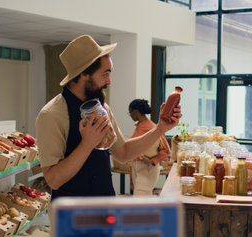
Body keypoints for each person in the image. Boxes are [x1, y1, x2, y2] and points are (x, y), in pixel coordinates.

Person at [35, 35, 181, 202]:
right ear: (84, 74)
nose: (109, 81)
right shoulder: (51, 115)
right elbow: (53, 180)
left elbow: (123, 153)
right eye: (105, 74)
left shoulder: (102, 108)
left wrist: (160, 129)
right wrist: (87, 144)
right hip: (71, 219)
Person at [128, 99, 171, 196]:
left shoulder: (152, 128)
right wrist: (131, 178)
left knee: (140, 203)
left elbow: (167, 150)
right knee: (141, 202)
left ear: (136, 112)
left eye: (130, 113)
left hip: (147, 169)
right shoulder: (139, 127)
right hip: (137, 168)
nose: (130, 115)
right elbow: (133, 154)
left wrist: (152, 161)